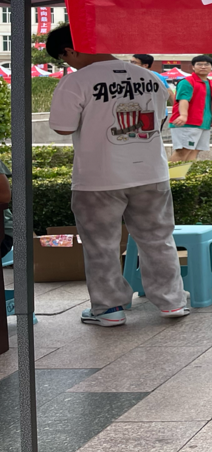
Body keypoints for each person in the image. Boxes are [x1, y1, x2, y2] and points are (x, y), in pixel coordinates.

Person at [45, 25, 189, 326]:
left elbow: (62, 127)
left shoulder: (77, 81)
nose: (67, 63)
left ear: (70, 50)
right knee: (158, 239)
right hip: (151, 173)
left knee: (101, 245)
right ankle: (172, 302)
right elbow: (159, 120)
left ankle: (109, 309)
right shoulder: (151, 78)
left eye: (64, 58)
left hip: (99, 177)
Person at [171, 56, 212, 162]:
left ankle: (187, 172)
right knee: (183, 151)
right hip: (187, 123)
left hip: (204, 123)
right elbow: (183, 100)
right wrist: (183, 115)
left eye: (206, 64)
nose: (203, 67)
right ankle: (172, 172)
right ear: (193, 67)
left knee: (195, 150)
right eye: (199, 64)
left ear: (211, 67)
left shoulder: (210, 83)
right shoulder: (187, 82)